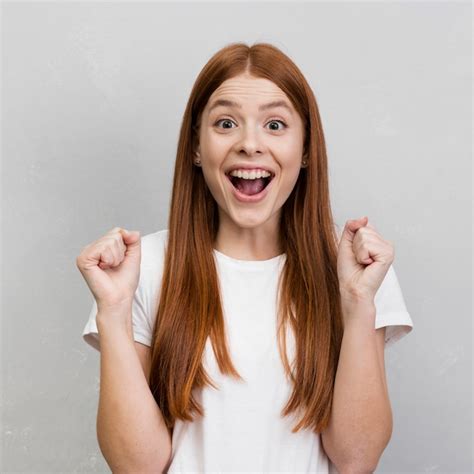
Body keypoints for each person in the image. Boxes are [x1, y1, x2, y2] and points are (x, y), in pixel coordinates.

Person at [78, 42, 414, 473]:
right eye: (225, 123)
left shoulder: (356, 268)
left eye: (275, 124)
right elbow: (137, 466)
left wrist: (358, 304)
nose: (250, 144)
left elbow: (356, 459)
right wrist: (113, 312)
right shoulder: (143, 268)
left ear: (307, 149)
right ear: (196, 148)